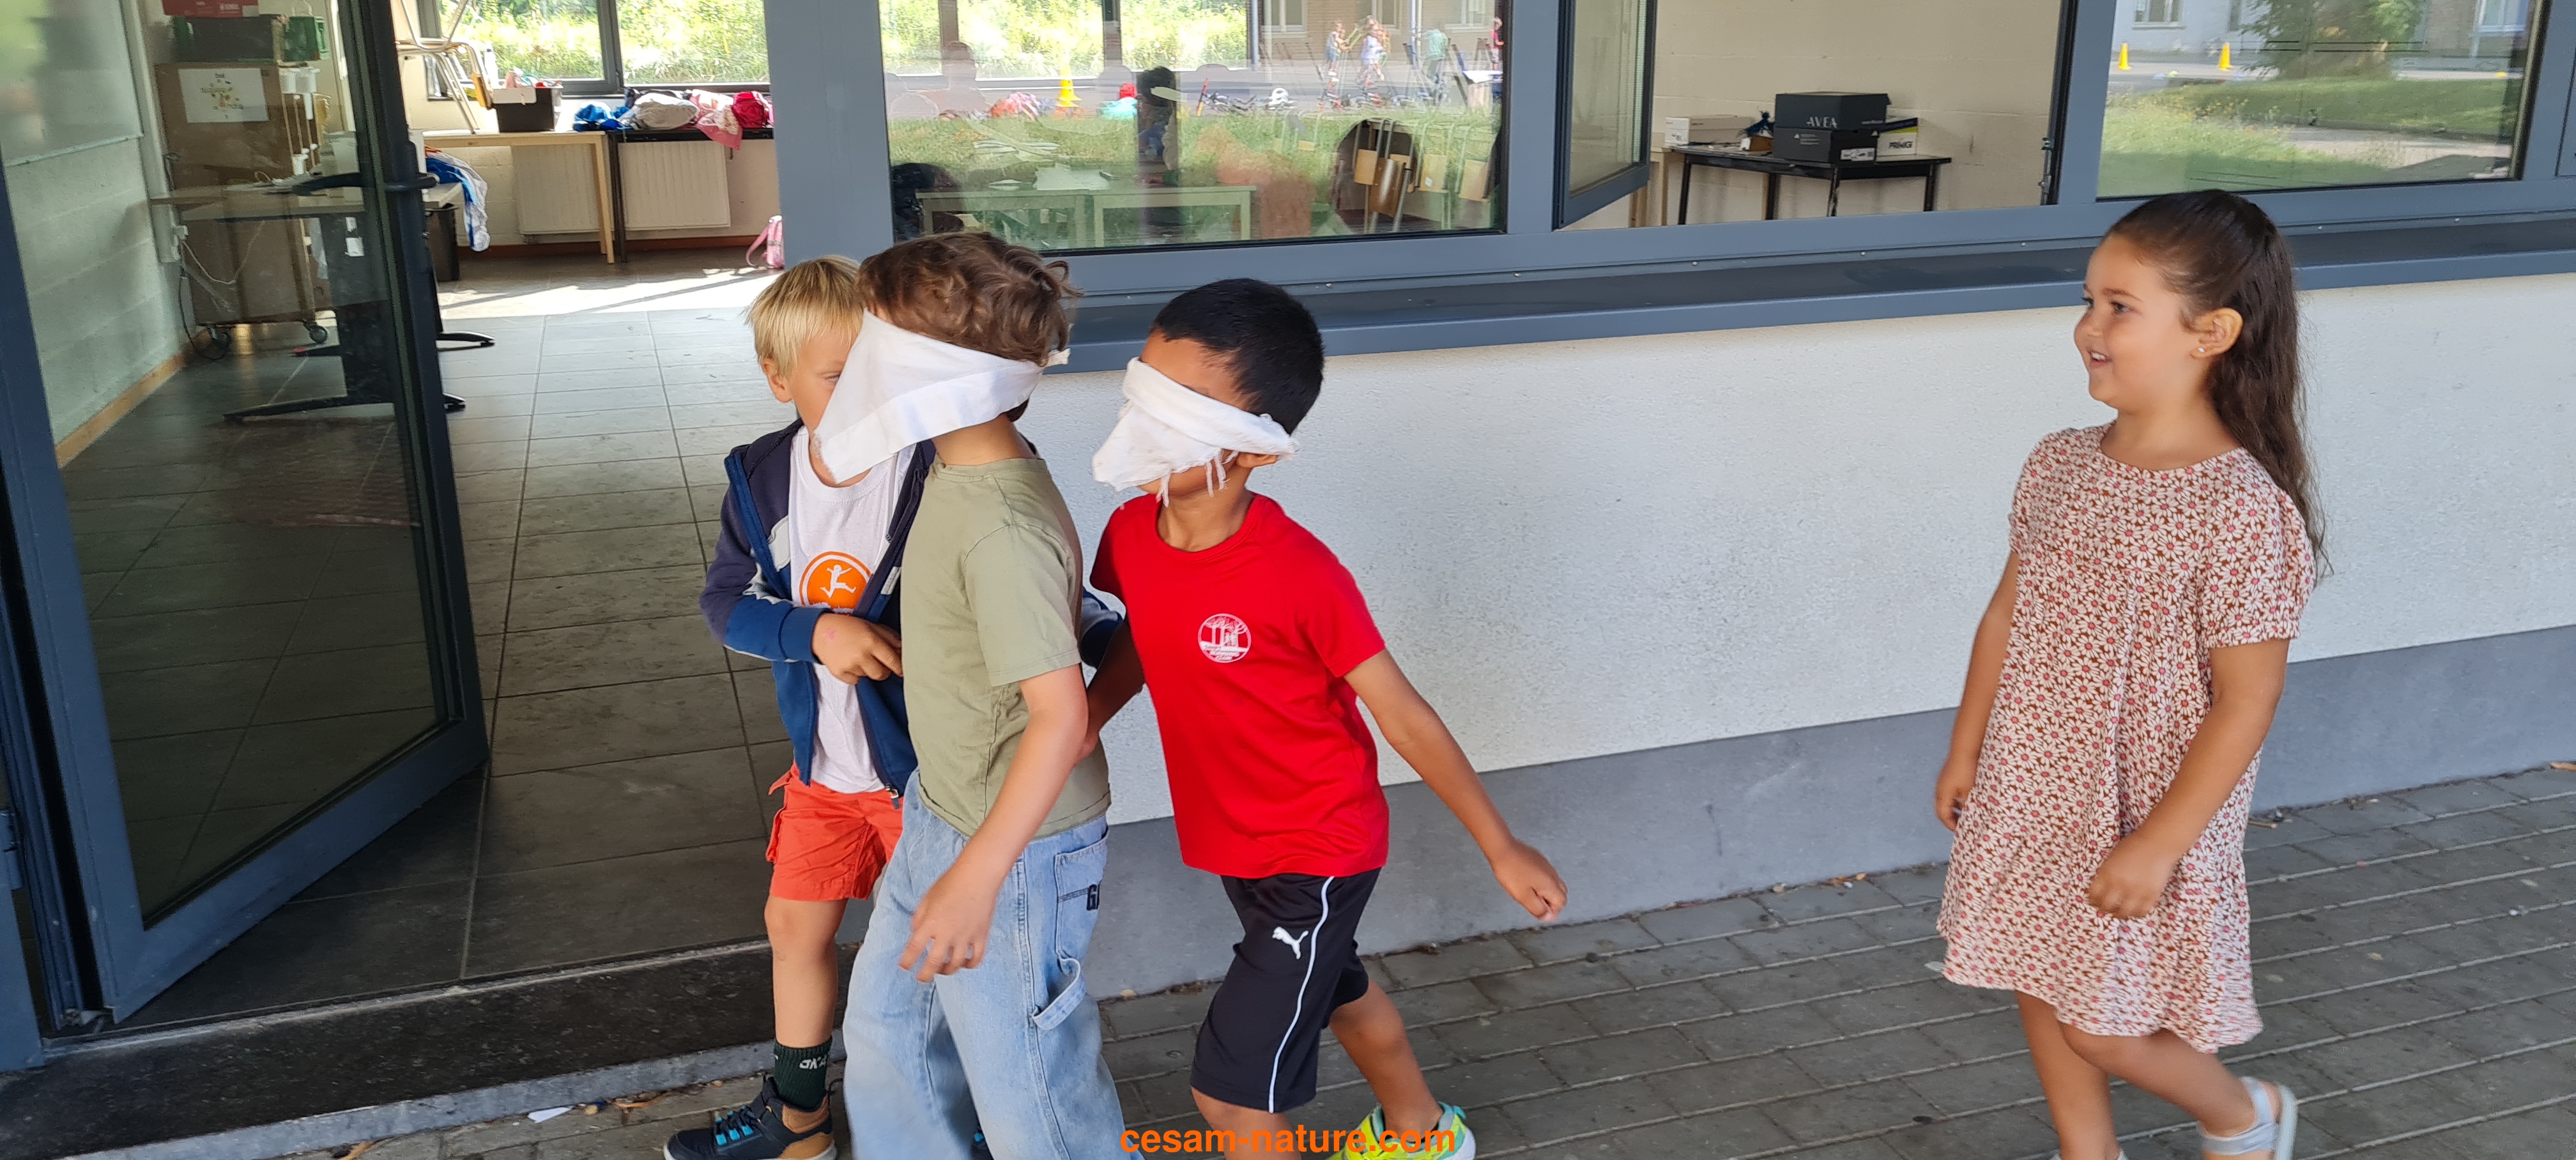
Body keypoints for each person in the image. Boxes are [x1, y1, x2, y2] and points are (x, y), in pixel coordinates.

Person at [1084, 279, 1568, 1160]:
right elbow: (1145, 640)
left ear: (1257, 450)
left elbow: (1404, 716)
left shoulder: (1299, 573)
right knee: (1339, 991)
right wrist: (1086, 718)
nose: (1148, 421)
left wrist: (1500, 844)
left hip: (1319, 847)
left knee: (1230, 1097)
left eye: (1183, 406)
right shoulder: (1130, 535)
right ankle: (1423, 1134)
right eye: (1144, 389)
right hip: (1237, 840)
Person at [1932, 190, 2320, 1160]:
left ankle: (2245, 1116)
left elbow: (2249, 698)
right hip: (2036, 780)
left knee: (2103, 1025)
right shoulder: (2059, 463)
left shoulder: (2240, 508)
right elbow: (2006, 613)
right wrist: (1968, 746)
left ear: (2210, 333)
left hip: (2149, 804)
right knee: (2037, 966)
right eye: (2088, 301)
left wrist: (2157, 845)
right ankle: (2087, 1151)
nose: (2088, 328)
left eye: (2120, 307)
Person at [824, 234, 1125, 1160]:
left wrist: (976, 879)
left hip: (1013, 854)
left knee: (1031, 1090)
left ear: (929, 376)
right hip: (944, 808)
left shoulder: (1000, 522)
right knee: (890, 1037)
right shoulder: (964, 468)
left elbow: (1059, 714)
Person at [670, 256, 920, 1160]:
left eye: (880, 372)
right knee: (794, 926)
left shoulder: (936, 467)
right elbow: (724, 604)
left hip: (925, 780)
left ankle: (945, 1115)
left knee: (926, 957)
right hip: (825, 773)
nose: (864, 396)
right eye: (836, 376)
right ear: (779, 379)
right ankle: (799, 1119)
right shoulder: (762, 479)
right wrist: (814, 632)